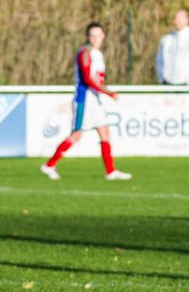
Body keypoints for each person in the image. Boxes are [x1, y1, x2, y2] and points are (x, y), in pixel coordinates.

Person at [40, 22, 131, 180]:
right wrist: (108, 92)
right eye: (92, 35)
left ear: (103, 36)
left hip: (95, 100)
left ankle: (110, 171)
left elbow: (97, 80)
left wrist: (103, 91)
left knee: (104, 131)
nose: (96, 38)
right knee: (76, 135)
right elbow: (88, 79)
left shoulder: (98, 54)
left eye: (98, 35)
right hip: (84, 100)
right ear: (88, 37)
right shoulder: (85, 53)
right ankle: (49, 165)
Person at [156, 9, 189, 84]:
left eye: (179, 18)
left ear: (187, 20)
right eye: (175, 18)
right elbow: (159, 60)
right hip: (168, 82)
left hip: (187, 84)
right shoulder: (166, 39)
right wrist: (161, 77)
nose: (176, 21)